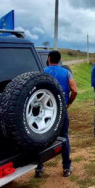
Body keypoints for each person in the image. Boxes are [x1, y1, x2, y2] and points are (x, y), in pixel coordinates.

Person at [36, 50, 78, 178]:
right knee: (64, 137)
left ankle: (39, 168)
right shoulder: (66, 73)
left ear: (48, 58)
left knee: (40, 138)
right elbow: (74, 90)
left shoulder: (42, 71)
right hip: (61, 109)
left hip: (45, 111)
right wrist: (69, 102)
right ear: (59, 60)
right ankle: (66, 168)